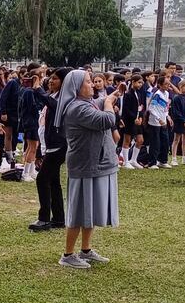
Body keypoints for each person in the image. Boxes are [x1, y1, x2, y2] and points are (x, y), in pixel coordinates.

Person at [56, 69, 122, 269]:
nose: (92, 84)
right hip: (85, 166)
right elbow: (106, 120)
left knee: (89, 210)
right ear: (76, 87)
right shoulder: (77, 108)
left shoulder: (86, 103)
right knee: (79, 211)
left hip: (95, 164)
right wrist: (109, 104)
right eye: (87, 81)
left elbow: (98, 104)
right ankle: (68, 255)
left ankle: (85, 250)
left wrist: (110, 97)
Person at [29, 68, 70, 231]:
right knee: (53, 181)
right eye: (50, 78)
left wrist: (38, 89)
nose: (51, 81)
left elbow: (55, 106)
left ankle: (44, 218)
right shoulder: (54, 95)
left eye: (55, 78)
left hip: (59, 144)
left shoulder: (66, 98)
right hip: (52, 143)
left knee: (42, 179)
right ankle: (58, 218)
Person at [121, 75, 147, 169]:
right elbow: (126, 109)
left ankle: (133, 160)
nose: (140, 84)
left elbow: (141, 107)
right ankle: (126, 161)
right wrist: (133, 118)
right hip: (129, 121)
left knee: (140, 140)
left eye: (141, 83)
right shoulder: (128, 94)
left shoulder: (139, 93)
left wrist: (140, 117)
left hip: (138, 121)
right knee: (127, 140)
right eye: (139, 82)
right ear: (133, 82)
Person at [146, 75, 171, 169]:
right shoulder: (157, 94)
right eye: (166, 84)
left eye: (168, 84)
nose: (168, 86)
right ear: (160, 85)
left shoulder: (167, 93)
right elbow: (151, 108)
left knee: (165, 142)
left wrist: (167, 116)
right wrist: (158, 119)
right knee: (155, 143)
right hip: (155, 122)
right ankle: (152, 163)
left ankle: (163, 161)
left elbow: (165, 107)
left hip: (163, 121)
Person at [170, 79, 185, 165]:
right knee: (176, 139)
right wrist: (184, 121)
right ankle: (174, 159)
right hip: (179, 122)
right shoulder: (176, 98)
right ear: (180, 87)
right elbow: (176, 112)